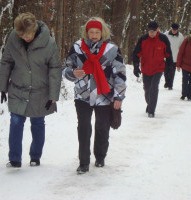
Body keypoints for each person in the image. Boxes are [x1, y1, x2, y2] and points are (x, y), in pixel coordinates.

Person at [0, 12, 62, 168]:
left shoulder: (49, 43)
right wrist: (3, 87)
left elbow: (55, 68)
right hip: (18, 88)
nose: (25, 38)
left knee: (38, 122)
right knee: (16, 122)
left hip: (40, 91)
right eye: (22, 36)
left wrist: (53, 95)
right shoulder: (13, 40)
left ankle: (35, 156)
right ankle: (14, 159)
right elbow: (6, 62)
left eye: (28, 35)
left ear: (35, 29)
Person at [63, 17, 126, 174]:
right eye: (91, 32)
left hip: (104, 95)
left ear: (102, 32)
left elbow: (120, 74)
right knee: (84, 127)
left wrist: (119, 97)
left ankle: (100, 156)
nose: (94, 35)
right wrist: (73, 73)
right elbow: (65, 68)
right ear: (86, 32)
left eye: (97, 32)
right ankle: (83, 162)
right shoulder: (77, 48)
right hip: (82, 95)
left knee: (102, 127)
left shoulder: (111, 50)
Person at [133, 21, 173, 118]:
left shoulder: (163, 39)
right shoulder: (143, 39)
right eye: (150, 31)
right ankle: (149, 104)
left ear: (158, 29)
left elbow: (168, 54)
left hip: (158, 68)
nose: (151, 33)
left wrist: (170, 68)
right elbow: (136, 53)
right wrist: (136, 66)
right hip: (146, 68)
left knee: (154, 88)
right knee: (147, 89)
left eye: (153, 31)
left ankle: (151, 110)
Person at [164, 23, 184, 90]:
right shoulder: (166, 34)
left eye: (175, 30)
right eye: (173, 29)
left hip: (175, 57)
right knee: (166, 71)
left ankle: (170, 85)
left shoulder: (180, 36)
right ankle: (167, 82)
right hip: (166, 56)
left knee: (172, 72)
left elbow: (182, 47)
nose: (174, 31)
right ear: (171, 28)